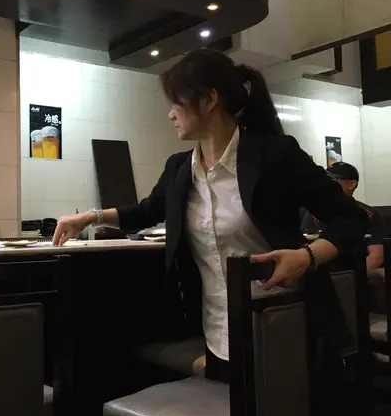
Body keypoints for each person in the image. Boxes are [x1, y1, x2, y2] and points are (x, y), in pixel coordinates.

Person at [52, 49, 366, 385]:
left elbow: (351, 218)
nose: (170, 114)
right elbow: (146, 211)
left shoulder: (275, 155)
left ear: (209, 100)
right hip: (218, 333)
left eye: (176, 102)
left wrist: (306, 257)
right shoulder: (179, 169)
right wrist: (89, 217)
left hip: (284, 325)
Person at [301, 161, 385, 272]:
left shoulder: (369, 214)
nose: (327, 184)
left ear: (351, 184)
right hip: (319, 273)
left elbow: (376, 256)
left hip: (354, 273)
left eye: (333, 179)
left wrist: (354, 276)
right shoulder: (313, 213)